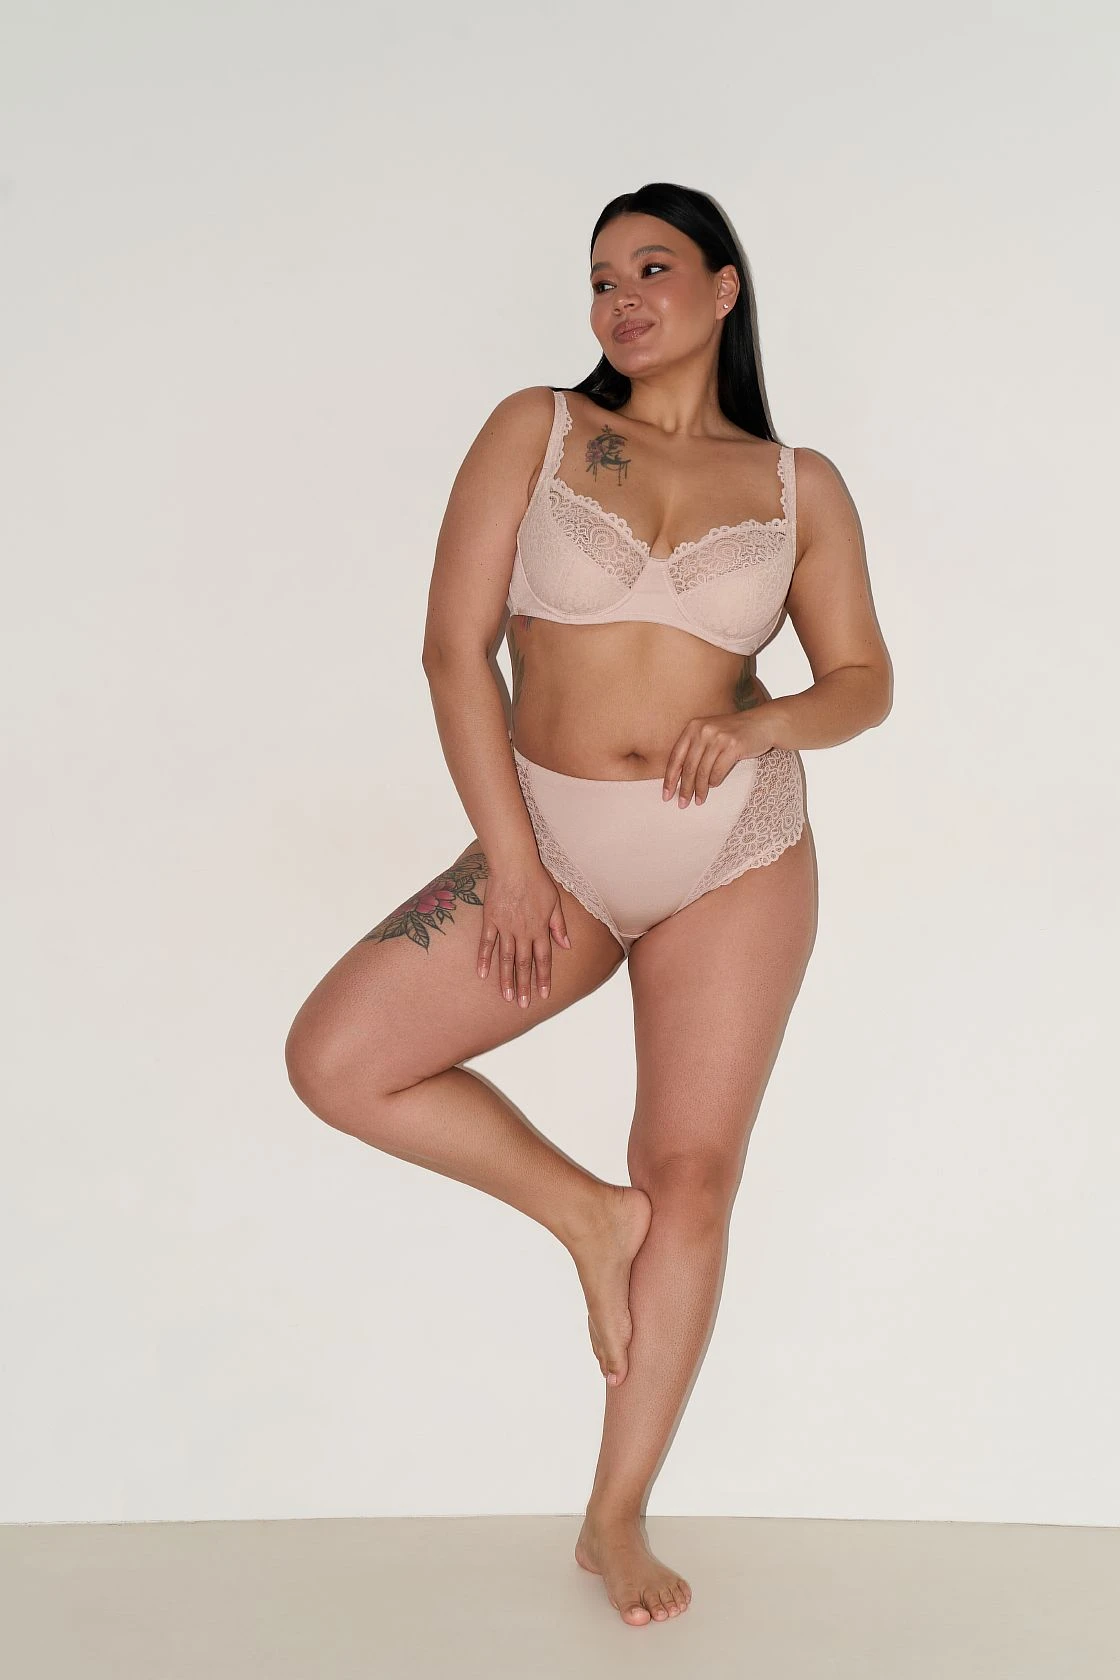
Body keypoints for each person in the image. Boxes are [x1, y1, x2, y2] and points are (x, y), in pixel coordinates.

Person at [285, 180, 892, 1629]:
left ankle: (615, 1515)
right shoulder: (539, 430)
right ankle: (584, 1216)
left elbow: (865, 683)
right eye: (603, 278)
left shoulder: (799, 485)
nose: (621, 298)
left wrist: (759, 725)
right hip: (548, 843)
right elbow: (454, 652)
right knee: (338, 1059)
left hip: (736, 854)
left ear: (725, 288)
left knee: (694, 1175)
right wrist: (510, 859)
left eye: (653, 269)